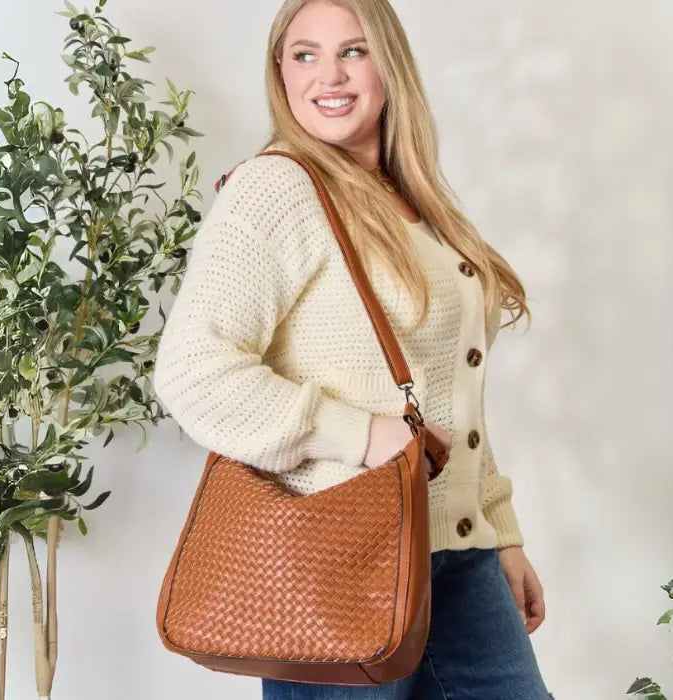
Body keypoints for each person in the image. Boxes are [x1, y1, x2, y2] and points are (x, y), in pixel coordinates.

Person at [153, 0, 554, 698]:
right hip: (332, 561)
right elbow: (194, 372)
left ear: (389, 64)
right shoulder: (276, 189)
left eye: (354, 51)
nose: (328, 75)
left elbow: (448, 394)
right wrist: (360, 434)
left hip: (459, 560)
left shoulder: (418, 201)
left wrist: (500, 530)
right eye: (304, 53)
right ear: (280, 71)